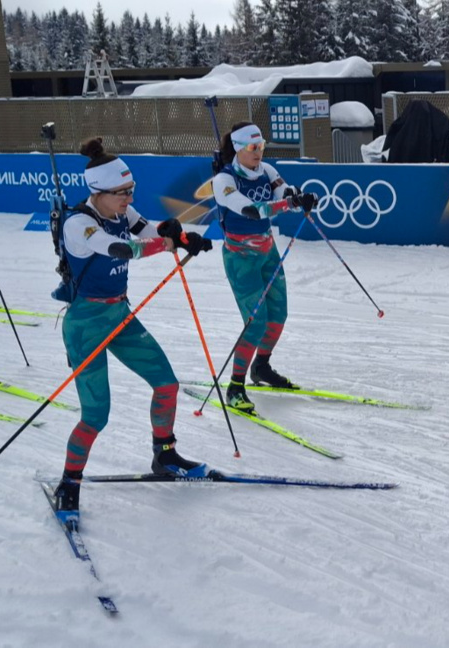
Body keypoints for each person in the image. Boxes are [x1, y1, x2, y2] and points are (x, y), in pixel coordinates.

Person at [52, 138, 213, 516]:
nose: (128, 198)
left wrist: (182, 235)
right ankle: (69, 483)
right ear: (98, 191)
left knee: (167, 385)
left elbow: (149, 229)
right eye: (121, 193)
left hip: (119, 316)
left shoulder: (122, 211)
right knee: (96, 415)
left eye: (131, 191)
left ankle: (166, 455)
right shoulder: (79, 223)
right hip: (85, 323)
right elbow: (120, 249)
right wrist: (167, 244)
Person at [211, 123, 317, 414]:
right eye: (251, 147)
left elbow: (286, 191)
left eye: (261, 146)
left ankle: (262, 366)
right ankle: (235, 386)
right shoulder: (224, 180)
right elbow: (251, 209)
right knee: (255, 323)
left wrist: (301, 198)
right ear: (237, 147)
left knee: (278, 316)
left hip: (267, 251)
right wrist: (288, 203)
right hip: (240, 257)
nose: (258, 152)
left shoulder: (267, 171)